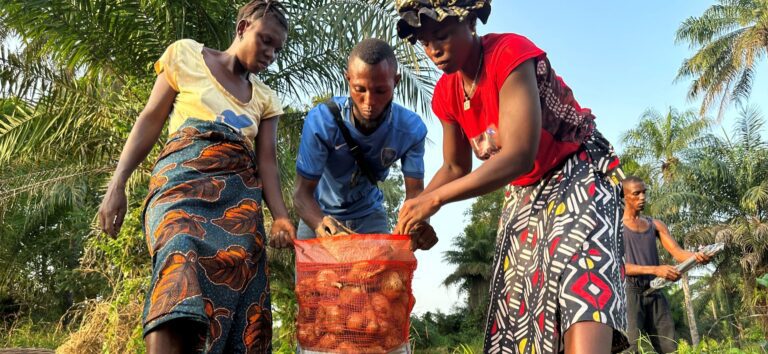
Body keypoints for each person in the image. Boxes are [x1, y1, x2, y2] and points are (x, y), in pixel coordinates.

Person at [393, 1, 629, 353]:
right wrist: (418, 208)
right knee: (519, 299)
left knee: (582, 274)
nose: (434, 51)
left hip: (578, 169)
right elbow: (456, 167)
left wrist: (435, 198)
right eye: (425, 42)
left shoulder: (509, 53)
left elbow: (519, 154)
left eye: (441, 36)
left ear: (470, 22)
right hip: (525, 190)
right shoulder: (447, 94)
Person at [97, 1, 294, 352]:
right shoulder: (185, 54)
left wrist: (280, 217)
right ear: (242, 28)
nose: (270, 53)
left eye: (277, 48)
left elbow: (267, 164)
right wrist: (118, 183)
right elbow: (150, 119)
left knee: (244, 283)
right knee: (179, 248)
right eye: (265, 40)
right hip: (180, 186)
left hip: (237, 204)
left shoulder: (266, 99)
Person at [270, 38, 437, 251]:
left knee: (381, 281)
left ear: (396, 82)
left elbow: (415, 194)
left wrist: (419, 225)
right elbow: (301, 195)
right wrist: (320, 225)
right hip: (318, 215)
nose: (369, 102)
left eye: (380, 91)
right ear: (347, 79)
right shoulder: (322, 121)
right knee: (313, 284)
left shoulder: (411, 129)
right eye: (360, 89)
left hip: (370, 217)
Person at [622, 176, 711, 353]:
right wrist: (656, 269)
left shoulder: (655, 225)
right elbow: (619, 267)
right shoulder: (615, 227)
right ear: (624, 196)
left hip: (656, 291)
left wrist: (697, 256)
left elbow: (678, 253)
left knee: (669, 346)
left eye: (644, 192)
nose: (642, 197)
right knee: (630, 348)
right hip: (629, 293)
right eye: (636, 193)